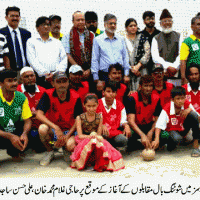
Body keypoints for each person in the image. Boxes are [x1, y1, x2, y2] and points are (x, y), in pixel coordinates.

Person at [36, 71, 83, 166]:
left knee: (70, 145)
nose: (62, 84)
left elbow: (79, 119)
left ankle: (66, 150)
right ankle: (50, 151)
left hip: (69, 130)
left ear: (68, 82)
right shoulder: (47, 94)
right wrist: (55, 128)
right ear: (53, 83)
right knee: (42, 129)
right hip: (53, 130)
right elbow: (38, 114)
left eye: (64, 81)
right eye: (59, 82)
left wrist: (66, 136)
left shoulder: (75, 96)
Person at [70, 94, 125, 171]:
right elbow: (80, 135)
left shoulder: (99, 117)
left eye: (94, 106)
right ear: (84, 105)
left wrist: (95, 136)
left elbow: (99, 134)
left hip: (95, 139)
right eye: (89, 106)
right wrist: (91, 136)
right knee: (92, 142)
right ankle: (87, 162)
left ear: (97, 105)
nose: (91, 109)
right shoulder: (79, 118)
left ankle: (98, 162)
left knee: (102, 145)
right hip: (84, 139)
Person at [155, 86, 200, 156]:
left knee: (193, 114)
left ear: (185, 97)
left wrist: (189, 109)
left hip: (184, 130)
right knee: (177, 139)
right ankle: (173, 143)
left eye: (182, 98)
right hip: (172, 131)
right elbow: (158, 125)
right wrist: (156, 139)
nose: (180, 101)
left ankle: (195, 146)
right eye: (178, 99)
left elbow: (197, 117)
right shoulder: (167, 107)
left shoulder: (187, 103)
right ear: (172, 99)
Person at [91, 13, 130, 91]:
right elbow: (95, 59)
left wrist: (126, 74)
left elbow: (125, 56)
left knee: (120, 98)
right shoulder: (97, 40)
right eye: (110, 23)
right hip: (104, 76)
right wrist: (96, 78)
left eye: (114, 23)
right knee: (107, 99)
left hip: (120, 75)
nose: (113, 25)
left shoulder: (121, 39)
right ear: (105, 24)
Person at [27, 16, 67, 89]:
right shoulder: (31, 41)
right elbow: (32, 60)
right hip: (40, 78)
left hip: (57, 78)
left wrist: (56, 74)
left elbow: (64, 59)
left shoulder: (57, 42)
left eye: (48, 24)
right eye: (43, 25)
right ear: (37, 28)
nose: (46, 27)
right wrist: (45, 73)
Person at [0, 69, 32, 161]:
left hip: (16, 132)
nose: (14, 83)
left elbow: (28, 120)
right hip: (2, 134)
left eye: (15, 80)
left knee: (33, 135)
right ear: (1, 83)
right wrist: (10, 136)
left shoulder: (21, 97)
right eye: (9, 81)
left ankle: (14, 151)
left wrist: (24, 134)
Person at [126, 75, 163, 151]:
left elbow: (157, 120)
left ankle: (153, 143)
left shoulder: (156, 98)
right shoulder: (132, 98)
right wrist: (142, 135)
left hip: (149, 125)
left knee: (164, 135)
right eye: (146, 86)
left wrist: (151, 132)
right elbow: (131, 121)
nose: (148, 89)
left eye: (150, 86)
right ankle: (136, 144)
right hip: (136, 126)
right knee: (128, 135)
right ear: (140, 86)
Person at [17, 67, 46, 152]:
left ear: (35, 77)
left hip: (38, 126)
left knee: (38, 147)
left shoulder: (43, 91)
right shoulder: (17, 91)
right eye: (26, 77)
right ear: (21, 79)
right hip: (22, 126)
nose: (30, 79)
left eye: (32, 76)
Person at [96, 80, 131, 150]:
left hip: (114, 133)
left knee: (123, 139)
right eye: (108, 91)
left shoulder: (120, 105)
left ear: (116, 94)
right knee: (100, 138)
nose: (111, 94)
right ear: (103, 92)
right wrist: (101, 125)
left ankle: (111, 147)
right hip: (101, 133)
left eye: (113, 92)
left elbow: (123, 121)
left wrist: (126, 125)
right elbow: (92, 119)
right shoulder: (97, 103)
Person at [62, 11, 94, 81]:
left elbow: (95, 54)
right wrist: (79, 69)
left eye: (82, 20)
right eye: (78, 20)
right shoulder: (67, 36)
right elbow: (67, 54)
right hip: (75, 72)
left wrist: (89, 69)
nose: (80, 22)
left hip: (90, 70)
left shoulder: (91, 35)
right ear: (73, 21)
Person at [151, 9, 182, 78]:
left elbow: (181, 54)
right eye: (165, 21)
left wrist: (175, 67)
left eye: (169, 21)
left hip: (177, 72)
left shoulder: (179, 36)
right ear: (160, 24)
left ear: (172, 22)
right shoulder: (156, 38)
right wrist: (167, 67)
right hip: (163, 72)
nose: (167, 23)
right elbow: (155, 57)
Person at [0, 6, 31, 71]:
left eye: (17, 16)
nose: (15, 18)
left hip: (25, 70)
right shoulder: (1, 33)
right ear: (6, 18)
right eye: (12, 16)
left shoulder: (26, 33)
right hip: (9, 71)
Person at [124, 18, 150, 91]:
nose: (133, 27)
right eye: (130, 26)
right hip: (128, 71)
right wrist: (131, 68)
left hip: (141, 70)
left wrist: (138, 66)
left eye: (135, 25)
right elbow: (121, 56)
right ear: (126, 28)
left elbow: (147, 53)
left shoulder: (143, 38)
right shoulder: (123, 40)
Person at [180, 16, 200, 85]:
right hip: (193, 78)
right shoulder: (187, 42)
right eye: (198, 24)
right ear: (192, 27)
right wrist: (183, 77)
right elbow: (183, 60)